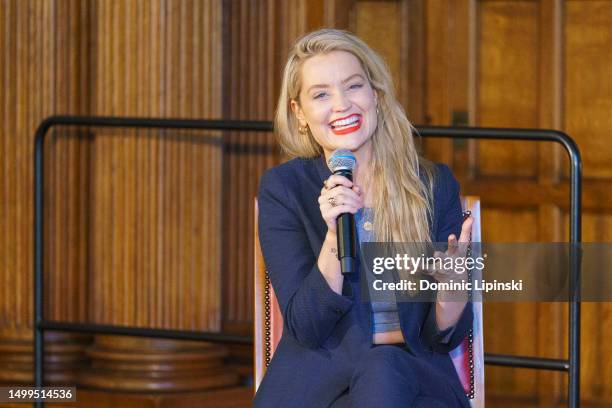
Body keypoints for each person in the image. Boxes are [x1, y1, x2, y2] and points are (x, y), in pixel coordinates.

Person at [255, 28, 474, 408]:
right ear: (300, 114)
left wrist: (453, 287)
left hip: (414, 382)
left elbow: (445, 337)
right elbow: (307, 326)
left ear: (375, 94)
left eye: (353, 86)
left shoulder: (432, 186)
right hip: (321, 389)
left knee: (384, 365)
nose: (342, 105)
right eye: (321, 94)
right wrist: (334, 238)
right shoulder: (284, 189)